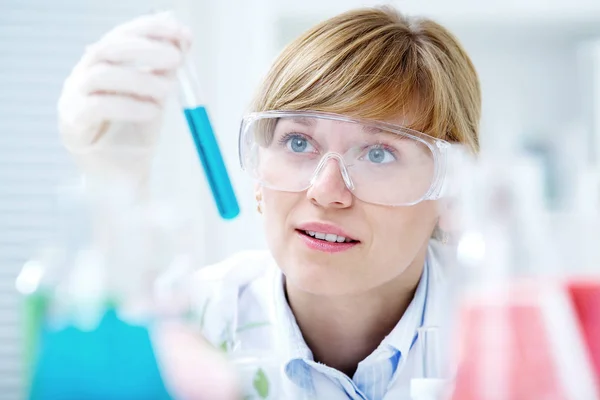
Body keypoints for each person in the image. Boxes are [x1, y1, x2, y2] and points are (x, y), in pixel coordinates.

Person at [57, 6, 480, 399]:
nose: (326, 190)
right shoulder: (191, 327)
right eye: (299, 142)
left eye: (377, 154)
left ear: (452, 191)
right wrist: (112, 187)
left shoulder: (503, 332)